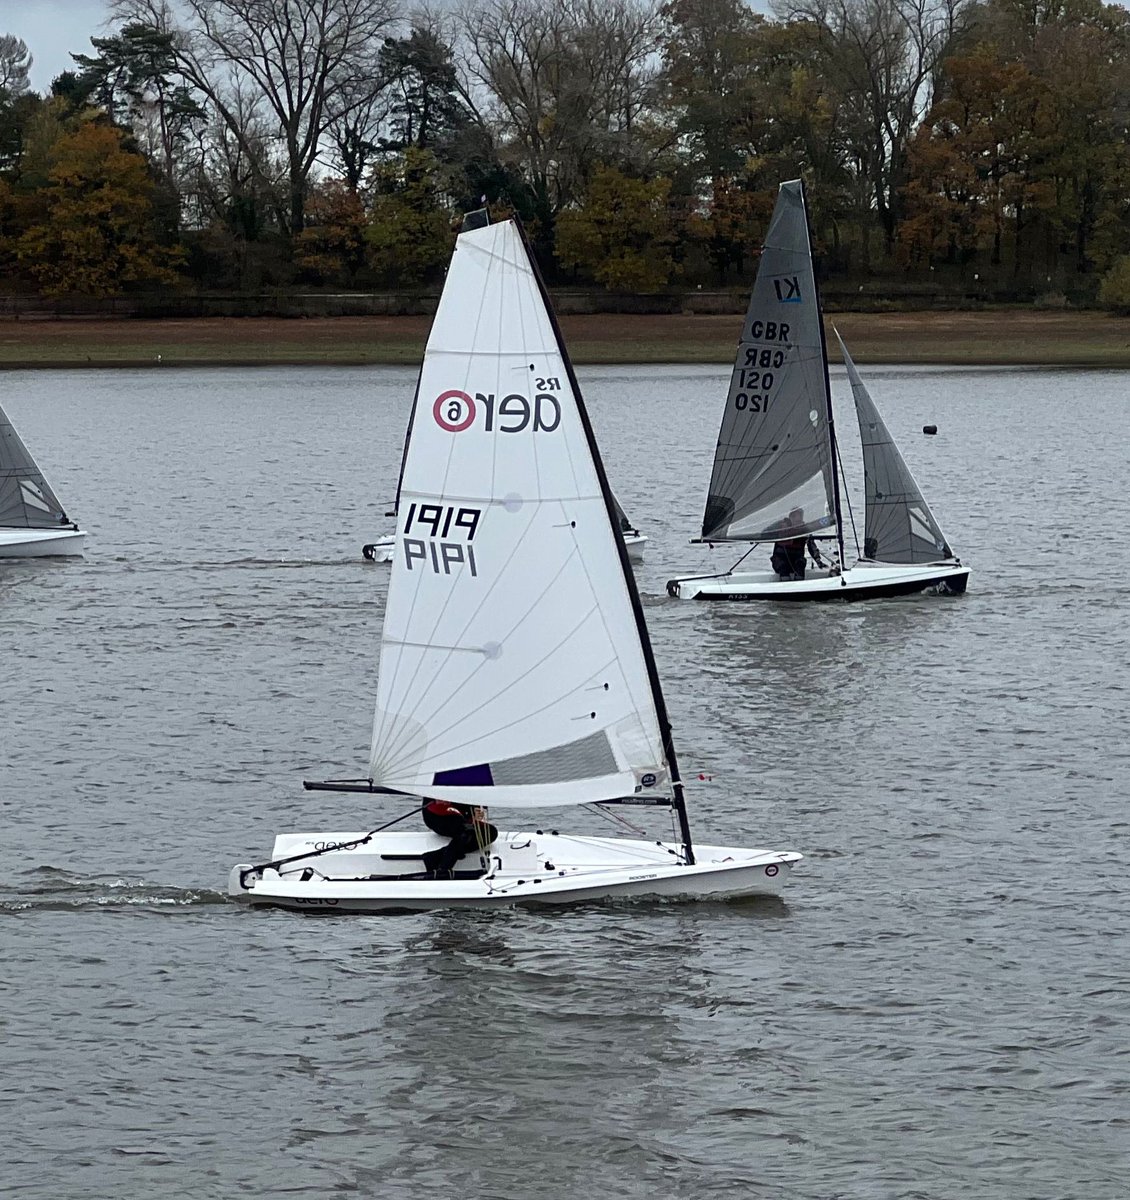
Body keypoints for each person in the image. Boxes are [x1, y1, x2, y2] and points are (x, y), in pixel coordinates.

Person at [420, 798, 498, 878]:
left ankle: (435, 856)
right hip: (438, 813)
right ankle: (443, 869)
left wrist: (479, 809)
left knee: (490, 832)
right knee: (465, 832)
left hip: (462, 815)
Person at [770, 507, 827, 580]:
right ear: (790, 518)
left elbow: (812, 546)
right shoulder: (781, 527)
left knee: (800, 564)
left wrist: (818, 560)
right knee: (783, 567)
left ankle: (799, 586)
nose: (798, 521)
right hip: (780, 559)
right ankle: (785, 586)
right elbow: (764, 533)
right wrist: (777, 526)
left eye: (800, 518)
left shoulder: (804, 529)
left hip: (796, 560)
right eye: (795, 518)